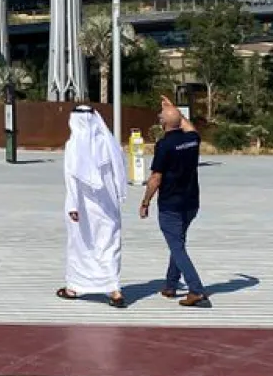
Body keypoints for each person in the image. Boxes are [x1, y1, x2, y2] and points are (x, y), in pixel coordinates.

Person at [140, 97, 209, 307]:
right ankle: (171, 284)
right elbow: (188, 126)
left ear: (162, 124)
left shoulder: (164, 145)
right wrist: (174, 110)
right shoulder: (193, 139)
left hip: (171, 203)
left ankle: (196, 289)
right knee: (177, 242)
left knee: (177, 246)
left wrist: (145, 201)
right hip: (191, 202)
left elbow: (155, 178)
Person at [57, 106, 127, 308]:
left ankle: (76, 287)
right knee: (108, 244)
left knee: (82, 245)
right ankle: (113, 290)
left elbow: (71, 178)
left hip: (82, 206)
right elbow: (119, 171)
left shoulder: (74, 145)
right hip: (108, 205)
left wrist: (72, 205)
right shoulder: (108, 143)